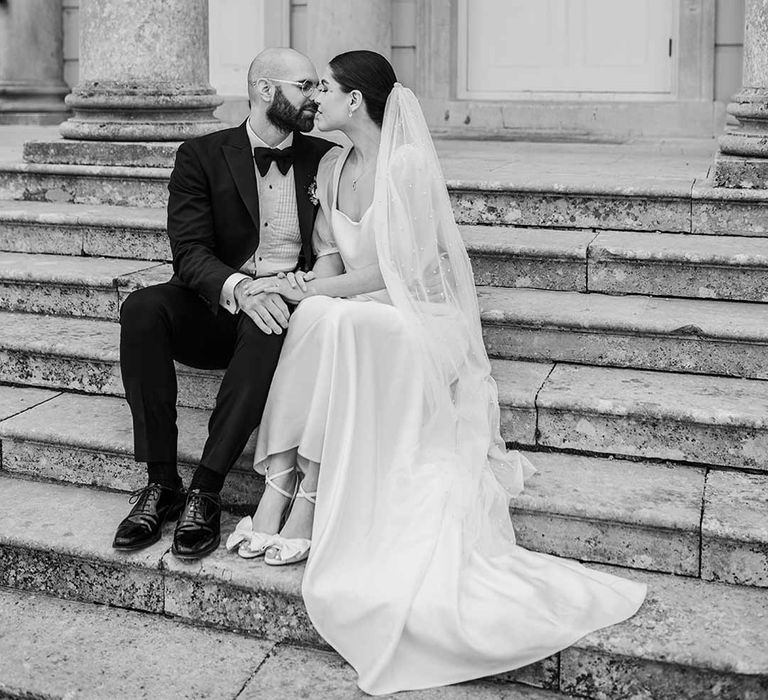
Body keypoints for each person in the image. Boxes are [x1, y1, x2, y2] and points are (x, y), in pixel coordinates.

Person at [226, 50, 647, 695]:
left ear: (355, 102)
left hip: (418, 313)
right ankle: (284, 484)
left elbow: (406, 270)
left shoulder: (409, 165)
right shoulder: (334, 166)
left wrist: (316, 294)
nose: (316, 100)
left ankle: (303, 497)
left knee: (336, 320)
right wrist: (308, 284)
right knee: (321, 319)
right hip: (358, 306)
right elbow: (335, 258)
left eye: (326, 90)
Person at [112, 48, 337, 560]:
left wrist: (279, 290)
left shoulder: (323, 158)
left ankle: (206, 490)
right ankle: (161, 483)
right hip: (218, 303)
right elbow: (189, 253)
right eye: (304, 85)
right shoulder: (201, 155)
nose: (314, 97)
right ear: (265, 90)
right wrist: (241, 287)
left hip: (284, 307)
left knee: (269, 323)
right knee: (142, 309)